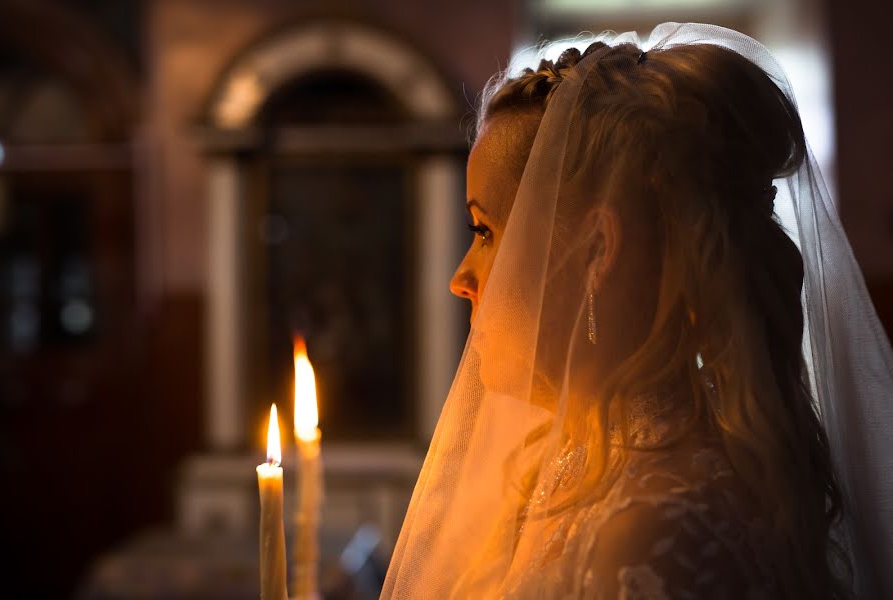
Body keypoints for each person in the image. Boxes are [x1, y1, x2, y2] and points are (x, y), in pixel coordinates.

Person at [382, 23, 893, 599]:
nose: (460, 279)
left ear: (597, 249)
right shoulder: (578, 467)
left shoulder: (657, 531)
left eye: (485, 230)